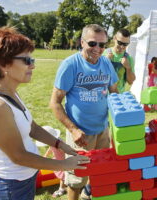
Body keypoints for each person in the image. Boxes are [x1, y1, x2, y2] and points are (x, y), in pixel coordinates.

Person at [0, 27, 89, 200]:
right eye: (26, 60)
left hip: (21, 181)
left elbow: (32, 127)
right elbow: (18, 156)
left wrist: (60, 145)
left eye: (32, 59)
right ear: (4, 63)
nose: (32, 65)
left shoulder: (10, 93)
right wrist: (63, 165)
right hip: (9, 187)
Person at [50, 24, 118, 200]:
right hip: (79, 135)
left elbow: (115, 93)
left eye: (102, 45)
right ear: (82, 42)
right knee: (75, 181)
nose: (98, 49)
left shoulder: (106, 62)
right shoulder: (70, 65)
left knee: (99, 171)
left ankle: (88, 194)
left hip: (102, 130)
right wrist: (73, 130)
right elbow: (55, 102)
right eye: (92, 43)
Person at [104, 28, 135, 93]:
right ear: (114, 38)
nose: (122, 46)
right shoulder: (103, 54)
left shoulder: (129, 59)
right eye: (120, 43)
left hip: (118, 98)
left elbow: (130, 82)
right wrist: (105, 63)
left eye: (125, 44)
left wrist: (128, 67)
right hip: (102, 97)